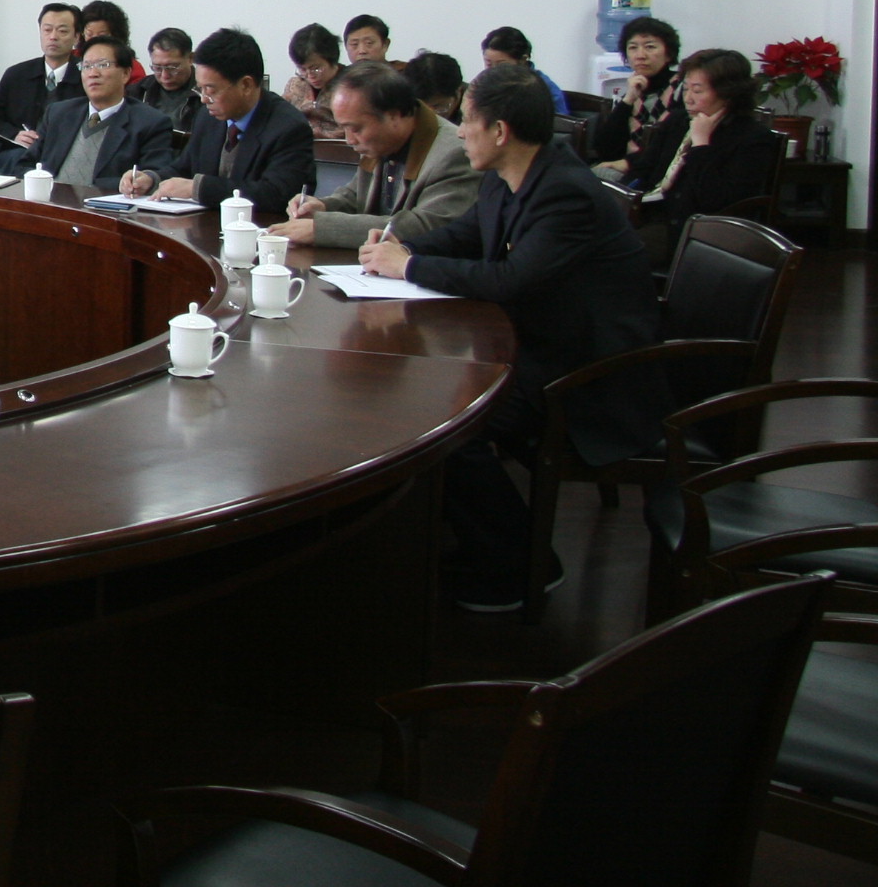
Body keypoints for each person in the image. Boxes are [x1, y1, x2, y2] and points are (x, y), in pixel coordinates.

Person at [359, 65, 666, 613]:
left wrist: (411, 267)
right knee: (430, 401)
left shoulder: (564, 191)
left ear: (500, 131)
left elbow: (511, 280)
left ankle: (520, 565)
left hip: (591, 373)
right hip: (544, 342)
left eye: (467, 121)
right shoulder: (509, 175)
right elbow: (466, 234)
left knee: (446, 425)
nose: (459, 131)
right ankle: (467, 542)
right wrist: (398, 246)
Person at [272, 62, 481, 247]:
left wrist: (322, 229)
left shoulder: (453, 152)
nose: (349, 139)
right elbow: (355, 196)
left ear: (394, 116)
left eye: (355, 129)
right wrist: (322, 206)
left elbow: (425, 225)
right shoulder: (380, 139)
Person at [120, 28, 316, 213]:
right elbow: (184, 168)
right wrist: (151, 179)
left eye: (211, 90)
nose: (204, 99)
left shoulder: (288, 127)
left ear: (246, 85)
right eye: (201, 88)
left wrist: (198, 188)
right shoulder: (208, 116)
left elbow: (277, 194)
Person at [621, 47, 785, 266]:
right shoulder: (677, 121)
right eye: (685, 89)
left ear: (728, 94)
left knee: (612, 254)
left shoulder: (752, 138)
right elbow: (643, 169)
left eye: (697, 91)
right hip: (650, 215)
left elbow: (716, 200)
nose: (688, 99)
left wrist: (700, 145)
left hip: (697, 232)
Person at [31, 38, 172, 188]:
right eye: (86, 66)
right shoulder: (58, 113)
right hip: (47, 199)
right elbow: (26, 164)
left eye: (103, 65)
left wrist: (139, 180)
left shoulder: (150, 122)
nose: (93, 73)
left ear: (125, 74)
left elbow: (155, 175)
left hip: (105, 202)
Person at [0, 3, 84, 176]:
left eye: (62, 31)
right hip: (20, 154)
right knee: (15, 160)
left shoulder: (87, 77)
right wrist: (15, 135)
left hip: (67, 157)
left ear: (76, 37)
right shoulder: (17, 75)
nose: (53, 37)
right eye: (47, 30)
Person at [589, 16, 684, 171]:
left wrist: (629, 164)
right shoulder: (633, 90)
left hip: (656, 171)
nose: (640, 55)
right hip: (626, 169)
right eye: (633, 47)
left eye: (650, 47)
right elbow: (605, 149)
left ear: (669, 54)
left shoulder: (682, 89)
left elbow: (673, 146)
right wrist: (628, 100)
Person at [132, 27, 204, 144]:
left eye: (172, 67)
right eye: (157, 68)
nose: (165, 76)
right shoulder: (138, 91)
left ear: (191, 58)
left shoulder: (206, 94)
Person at [481, 26, 569, 114]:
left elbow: (560, 121)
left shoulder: (543, 88)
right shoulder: (483, 83)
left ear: (523, 60)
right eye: (488, 64)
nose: (494, 71)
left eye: (502, 65)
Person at [281, 22, 345, 139]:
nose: (310, 76)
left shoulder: (351, 85)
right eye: (302, 69)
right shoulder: (295, 85)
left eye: (316, 68)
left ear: (332, 60)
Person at [76, 0, 146, 86]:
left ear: (116, 36)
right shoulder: (72, 59)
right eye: (89, 34)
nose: (94, 41)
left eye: (102, 36)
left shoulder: (133, 68)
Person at [403, 51, 466, 121]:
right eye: (422, 108)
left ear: (459, 91)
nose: (430, 117)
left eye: (438, 107)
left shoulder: (474, 113)